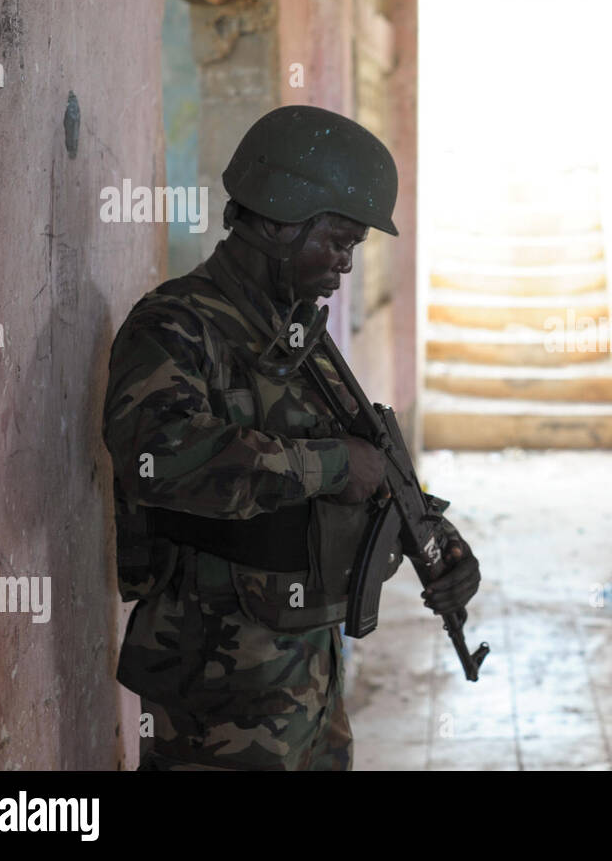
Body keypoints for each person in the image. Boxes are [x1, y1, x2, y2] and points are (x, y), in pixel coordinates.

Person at [102, 105, 480, 769]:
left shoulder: (299, 331)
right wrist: (330, 466)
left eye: (352, 247)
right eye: (337, 240)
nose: (344, 264)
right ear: (280, 220)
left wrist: (436, 539)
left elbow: (369, 462)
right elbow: (155, 459)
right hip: (219, 679)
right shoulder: (176, 324)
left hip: (308, 670)